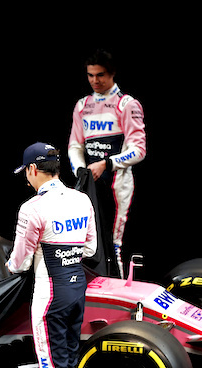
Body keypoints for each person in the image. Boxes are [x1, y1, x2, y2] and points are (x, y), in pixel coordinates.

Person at [6, 142, 97, 368]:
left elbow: (19, 263)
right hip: (76, 292)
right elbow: (89, 250)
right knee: (68, 365)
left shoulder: (32, 208)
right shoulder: (82, 199)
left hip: (49, 299)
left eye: (26, 173)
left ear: (33, 170)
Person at [68, 49, 146, 278]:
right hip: (90, 184)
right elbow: (74, 145)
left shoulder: (127, 104)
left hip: (117, 185)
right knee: (90, 243)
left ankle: (122, 295)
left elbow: (139, 150)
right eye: (90, 75)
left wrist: (107, 164)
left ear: (112, 74)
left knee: (116, 245)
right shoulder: (82, 105)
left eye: (100, 75)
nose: (95, 80)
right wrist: (80, 170)